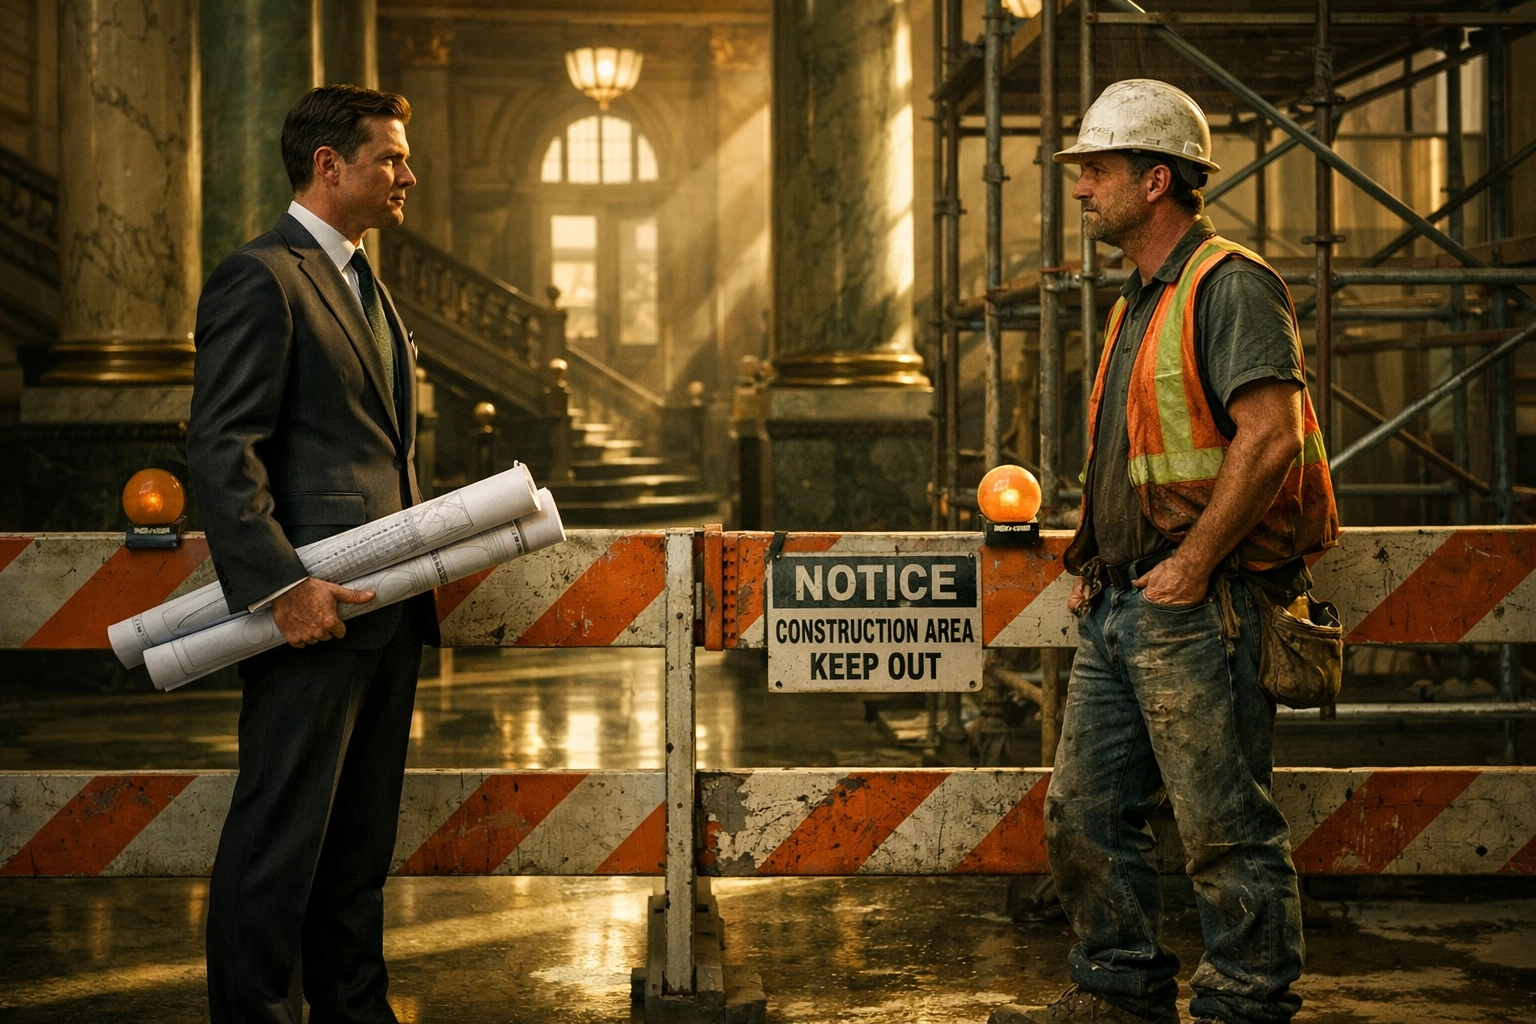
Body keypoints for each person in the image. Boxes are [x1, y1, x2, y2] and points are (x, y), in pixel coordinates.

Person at [990, 79, 1338, 1024]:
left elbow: (1268, 438)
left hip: (1204, 607)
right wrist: (1098, 563)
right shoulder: (1140, 301)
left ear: (1156, 180)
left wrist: (1189, 566)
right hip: (1124, 606)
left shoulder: (1229, 285)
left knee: (1225, 829)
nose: (1079, 189)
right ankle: (1118, 992)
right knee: (1086, 817)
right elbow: (1136, 453)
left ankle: (1245, 1004)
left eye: (1095, 171)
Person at [189, 85, 436, 1024]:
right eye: (391, 158)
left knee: (358, 848)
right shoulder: (264, 275)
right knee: (279, 844)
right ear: (330, 166)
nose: (407, 174)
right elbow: (222, 450)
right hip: (312, 616)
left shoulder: (364, 280)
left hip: (387, 612)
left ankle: (354, 1011)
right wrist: (284, 588)